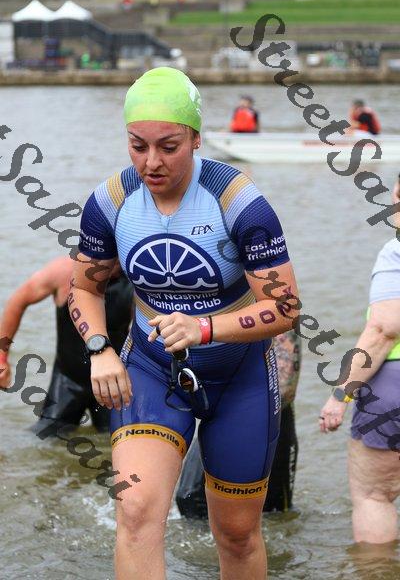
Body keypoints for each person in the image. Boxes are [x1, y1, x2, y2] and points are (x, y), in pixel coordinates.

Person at [70, 66, 299, 579]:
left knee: (236, 534)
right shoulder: (111, 201)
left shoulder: (237, 201)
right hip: (152, 370)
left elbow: (286, 308)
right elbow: (84, 287)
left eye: (168, 146)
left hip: (238, 375)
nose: (151, 162)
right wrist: (100, 349)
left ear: (196, 138)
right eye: (138, 145)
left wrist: (205, 328)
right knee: (135, 514)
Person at [319, 178, 400, 544]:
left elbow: (384, 330)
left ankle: (378, 569)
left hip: (393, 389)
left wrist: (340, 395)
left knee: (374, 496)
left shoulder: (395, 252)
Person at [0, 256, 133, 435]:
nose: (113, 264)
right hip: (68, 381)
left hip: (112, 382)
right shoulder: (65, 270)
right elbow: (18, 302)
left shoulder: (136, 281)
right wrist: (2, 357)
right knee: (44, 439)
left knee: (118, 440)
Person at [176, 329, 301, 517]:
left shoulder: (276, 316)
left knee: (276, 512)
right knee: (189, 499)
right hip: (227, 409)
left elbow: (286, 385)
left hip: (268, 413)